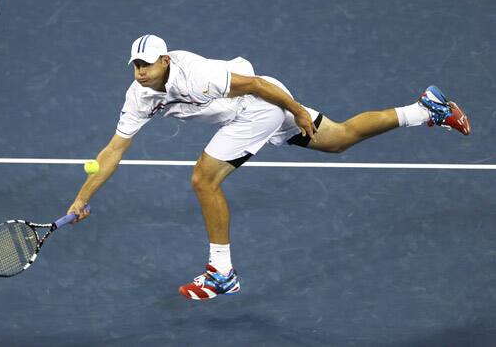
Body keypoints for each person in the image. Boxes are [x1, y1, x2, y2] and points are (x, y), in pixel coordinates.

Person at [67, 34, 471, 301]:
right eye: (136, 65)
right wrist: (81, 200)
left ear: (166, 61)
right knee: (341, 138)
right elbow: (114, 149)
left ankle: (221, 273)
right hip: (249, 113)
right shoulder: (138, 95)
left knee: (202, 179)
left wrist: (294, 111)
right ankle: (426, 109)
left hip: (259, 105)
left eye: (148, 65)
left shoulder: (198, 76)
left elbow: (259, 85)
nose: (140, 72)